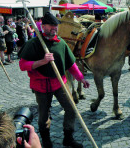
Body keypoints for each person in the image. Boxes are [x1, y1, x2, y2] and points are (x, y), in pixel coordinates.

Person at [19, 12, 90, 148]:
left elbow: (71, 64)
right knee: (44, 116)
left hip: (59, 83)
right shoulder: (34, 43)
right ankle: (46, 141)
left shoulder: (61, 43)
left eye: (56, 26)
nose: (54, 28)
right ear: (43, 26)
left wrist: (81, 78)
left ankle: (68, 138)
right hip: (40, 86)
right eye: (51, 25)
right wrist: (42, 61)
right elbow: (23, 65)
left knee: (71, 109)